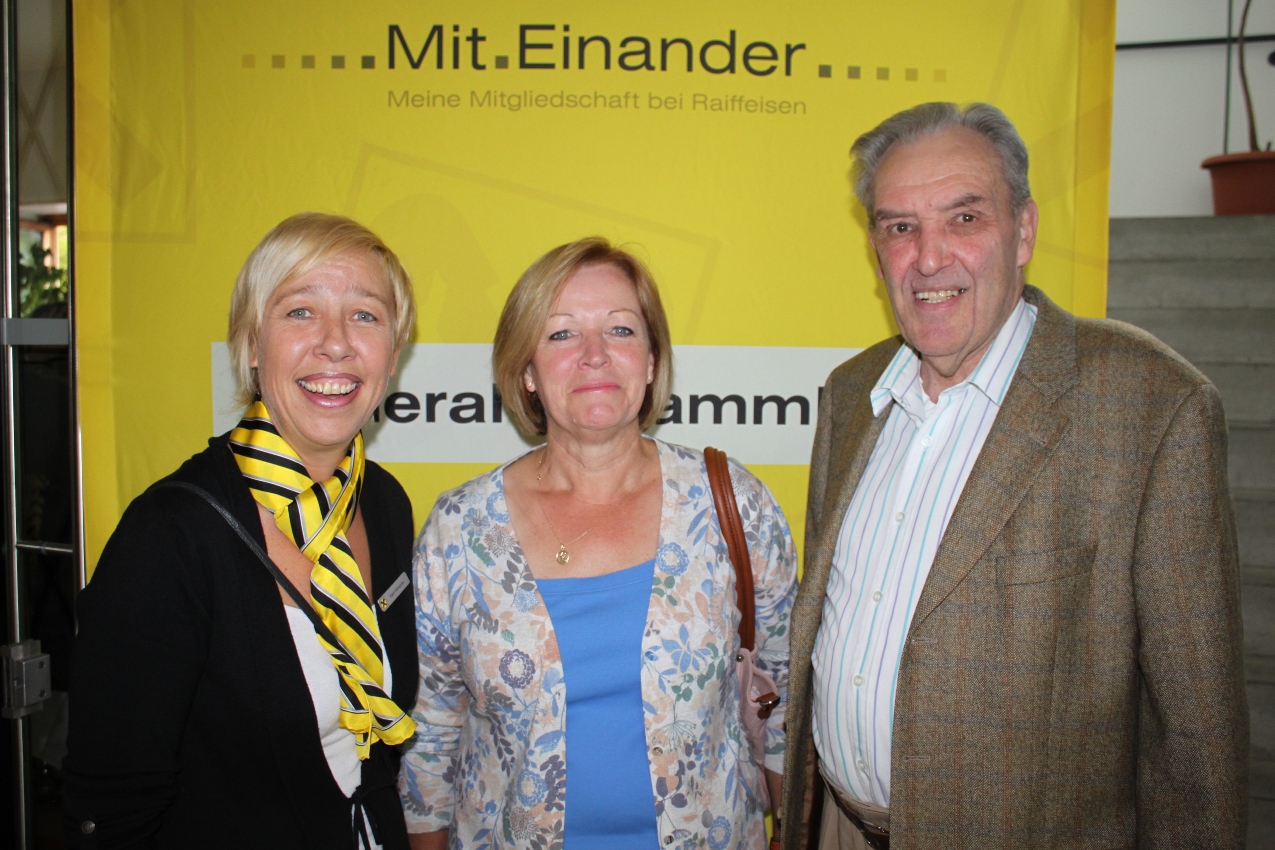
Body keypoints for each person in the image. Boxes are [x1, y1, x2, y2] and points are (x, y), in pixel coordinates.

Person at [780, 102, 1248, 849]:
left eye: (964, 219)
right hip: (841, 826)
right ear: (875, 248)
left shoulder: (1152, 407)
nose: (928, 258)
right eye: (900, 227)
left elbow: (1197, 733)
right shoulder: (850, 393)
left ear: (1023, 230)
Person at [399, 237, 797, 849]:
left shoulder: (733, 506)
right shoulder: (459, 531)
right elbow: (430, 732)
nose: (594, 355)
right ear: (526, 372)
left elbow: (784, 701)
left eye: (620, 329)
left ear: (652, 361)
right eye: (561, 333)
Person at [64, 213, 421, 849]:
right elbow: (113, 807)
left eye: (365, 315)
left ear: (393, 355)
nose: (336, 343)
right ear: (252, 345)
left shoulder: (384, 503)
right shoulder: (169, 536)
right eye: (300, 311)